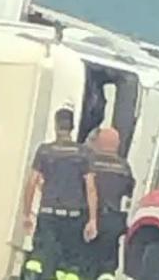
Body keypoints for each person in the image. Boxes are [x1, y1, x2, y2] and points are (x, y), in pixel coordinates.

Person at [22, 107, 97, 280]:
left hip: (48, 213)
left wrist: (27, 214)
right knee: (67, 265)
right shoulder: (84, 153)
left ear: (56, 126)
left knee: (42, 259)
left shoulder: (45, 151)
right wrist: (92, 219)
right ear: (72, 127)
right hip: (73, 217)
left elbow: (32, 182)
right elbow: (91, 187)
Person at [83, 128, 136, 280]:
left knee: (83, 261)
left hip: (87, 217)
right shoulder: (124, 167)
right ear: (116, 144)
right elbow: (129, 191)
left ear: (98, 142)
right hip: (113, 221)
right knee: (107, 266)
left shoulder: (89, 163)